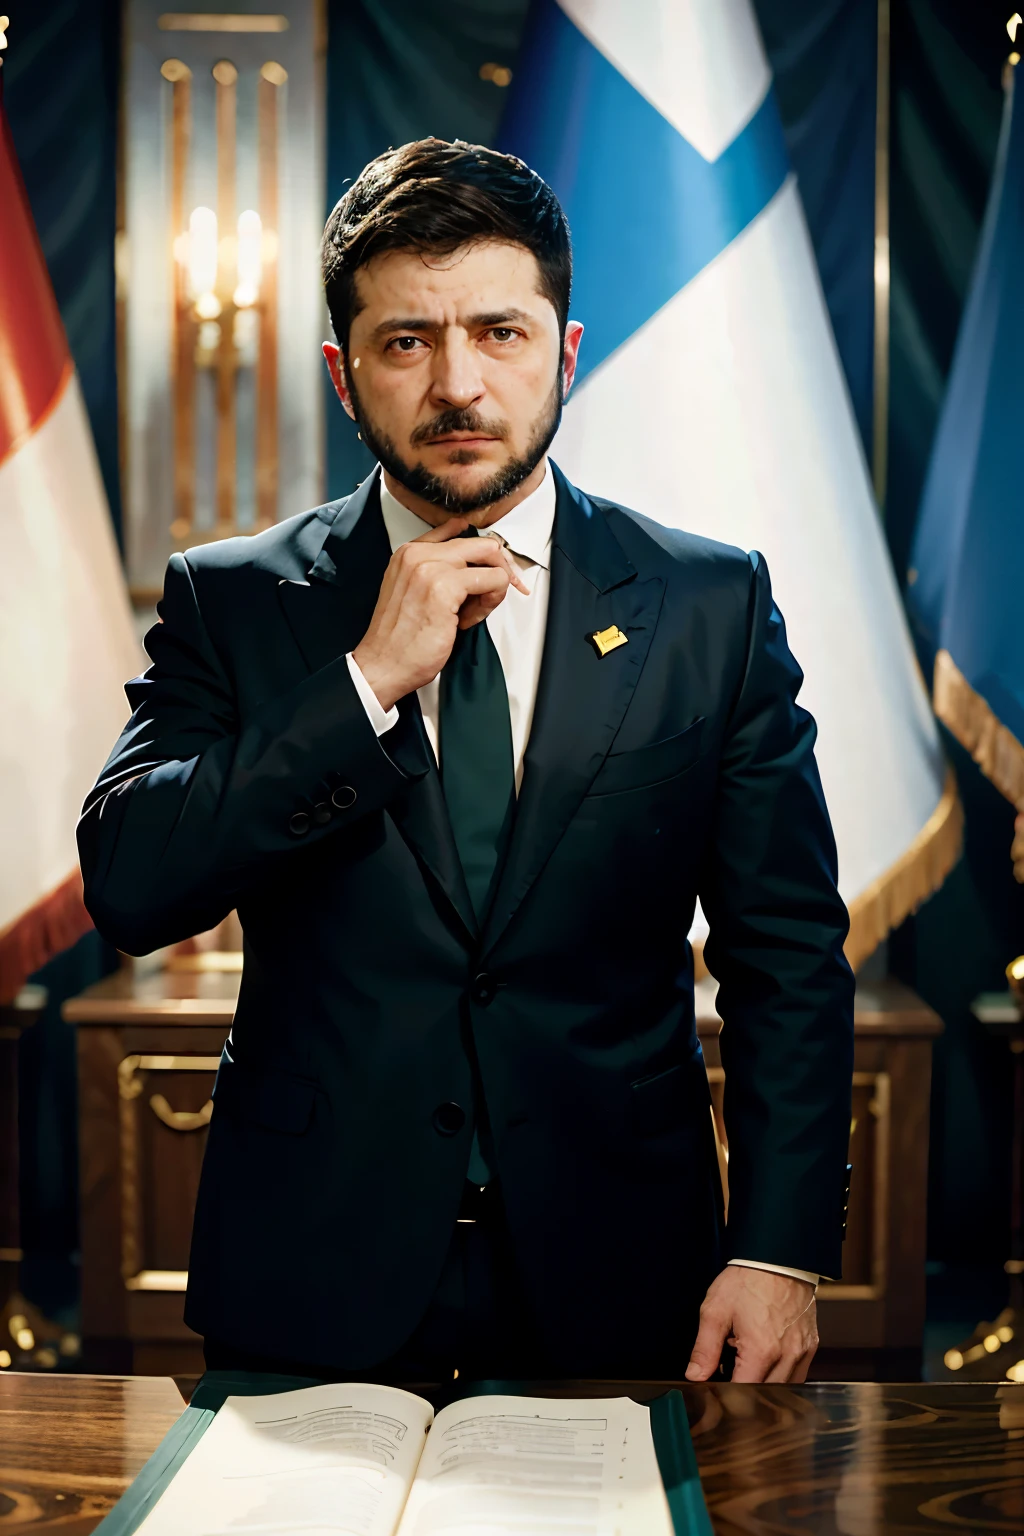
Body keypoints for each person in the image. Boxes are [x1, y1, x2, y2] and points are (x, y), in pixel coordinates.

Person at [79, 138, 854, 1386]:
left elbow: (788, 954)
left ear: (566, 350)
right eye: (406, 342)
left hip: (625, 1265)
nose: (458, 386)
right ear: (344, 376)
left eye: (498, 332)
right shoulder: (232, 601)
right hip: (308, 1269)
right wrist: (363, 682)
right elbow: (129, 884)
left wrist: (779, 1252)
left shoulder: (709, 602)